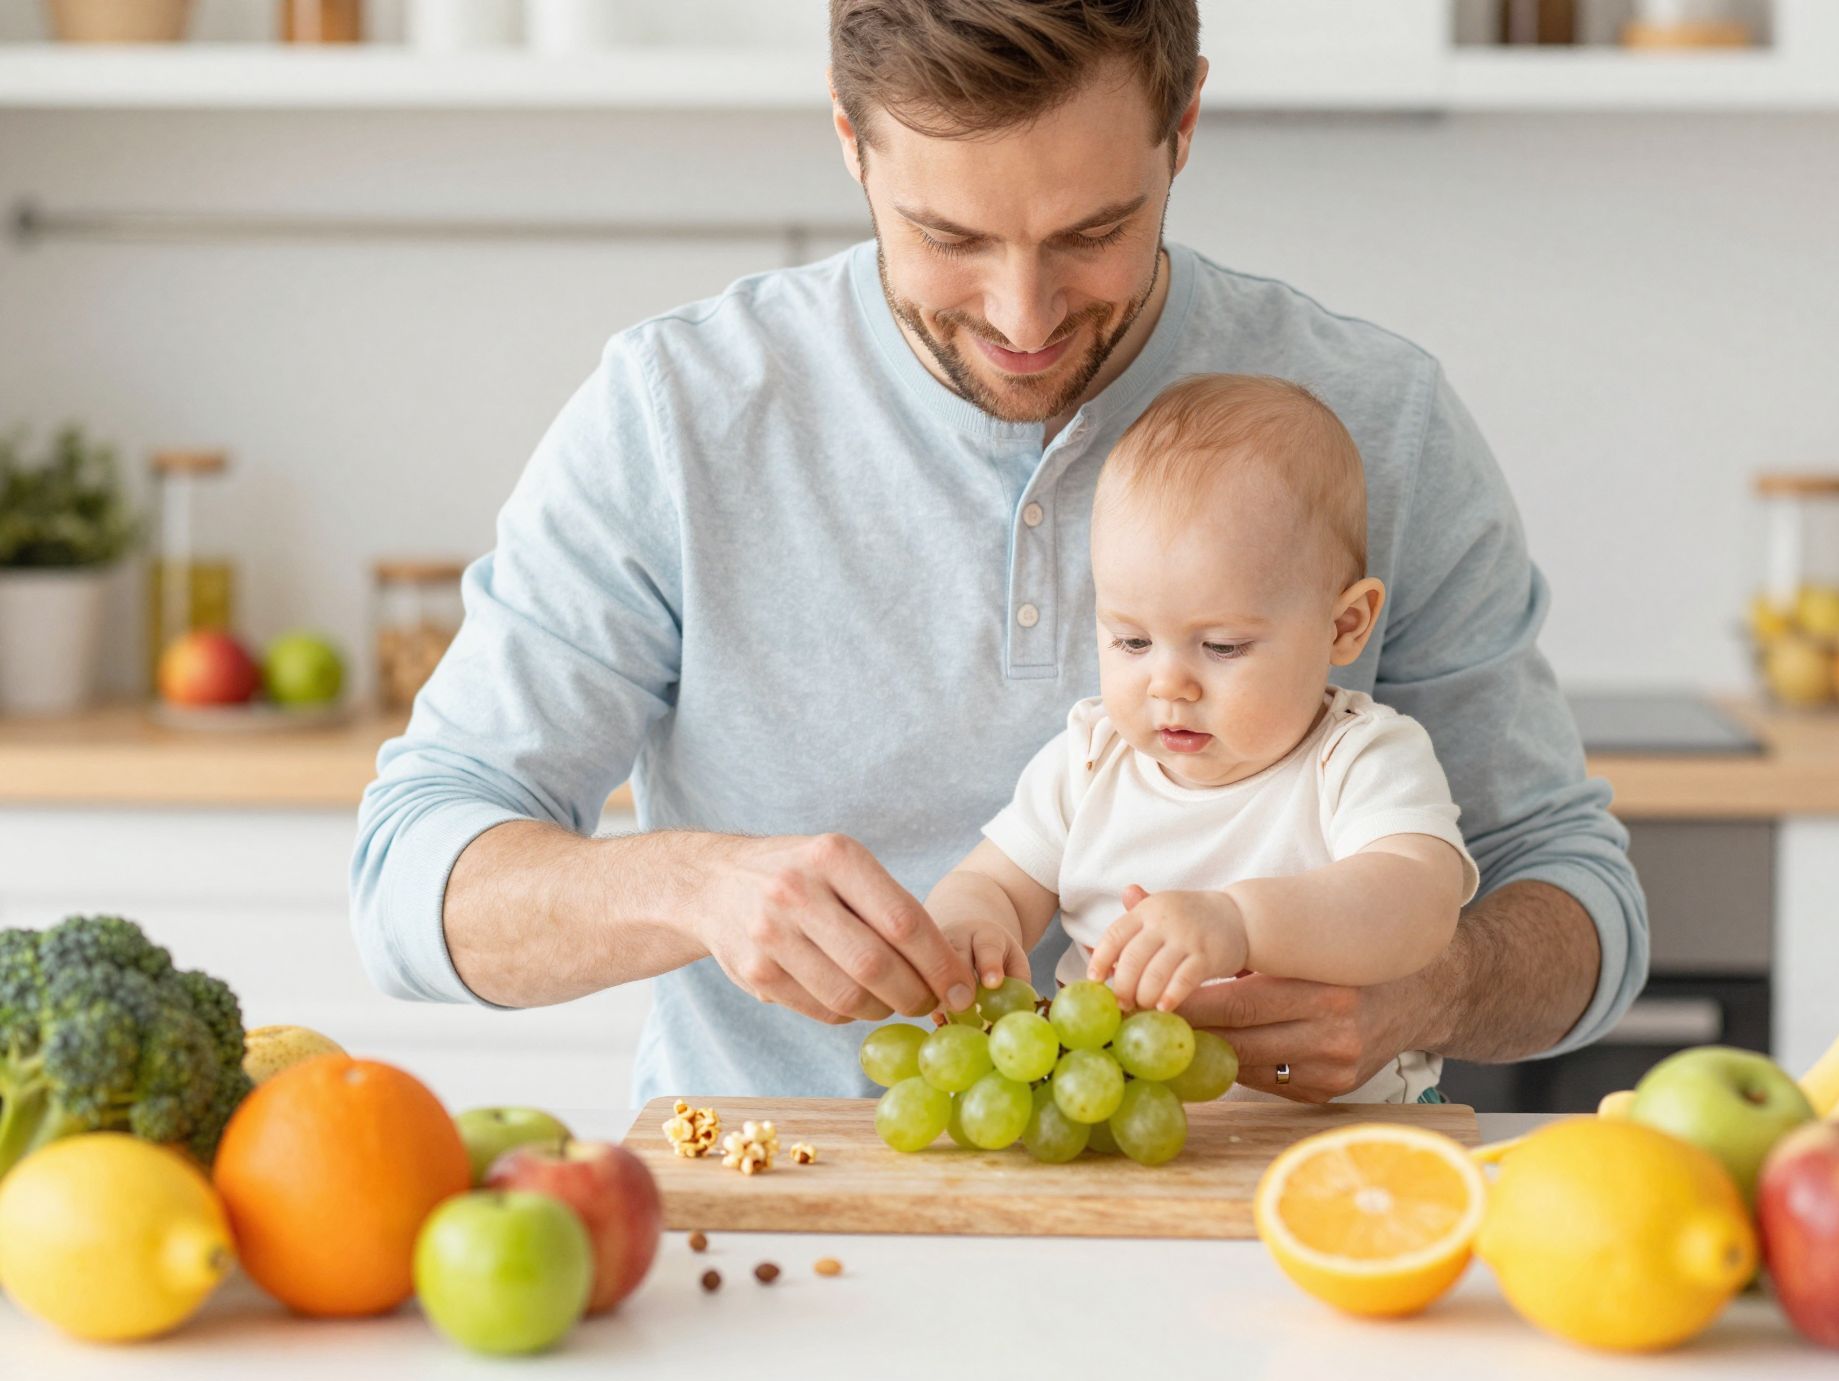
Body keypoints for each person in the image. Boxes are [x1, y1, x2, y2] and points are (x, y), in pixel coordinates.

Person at [350, 0, 1647, 1111]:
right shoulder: (677, 413)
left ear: (1185, 127)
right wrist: (691, 886)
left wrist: (1432, 989)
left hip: (1270, 1240)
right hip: (785, 1229)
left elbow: (1581, 903)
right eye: (952, 239)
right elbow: (409, 879)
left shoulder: (1371, 419)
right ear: (851, 143)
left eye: (1092, 232)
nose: (1022, 319)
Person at [926, 373, 1478, 1104]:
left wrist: (1241, 921)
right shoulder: (1090, 759)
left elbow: (1417, 903)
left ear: (1344, 626)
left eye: (1220, 647)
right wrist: (972, 924)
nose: (1168, 685)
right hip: (1127, 1141)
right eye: (1130, 641)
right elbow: (993, 880)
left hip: (1337, 1148)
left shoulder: (1360, 758)